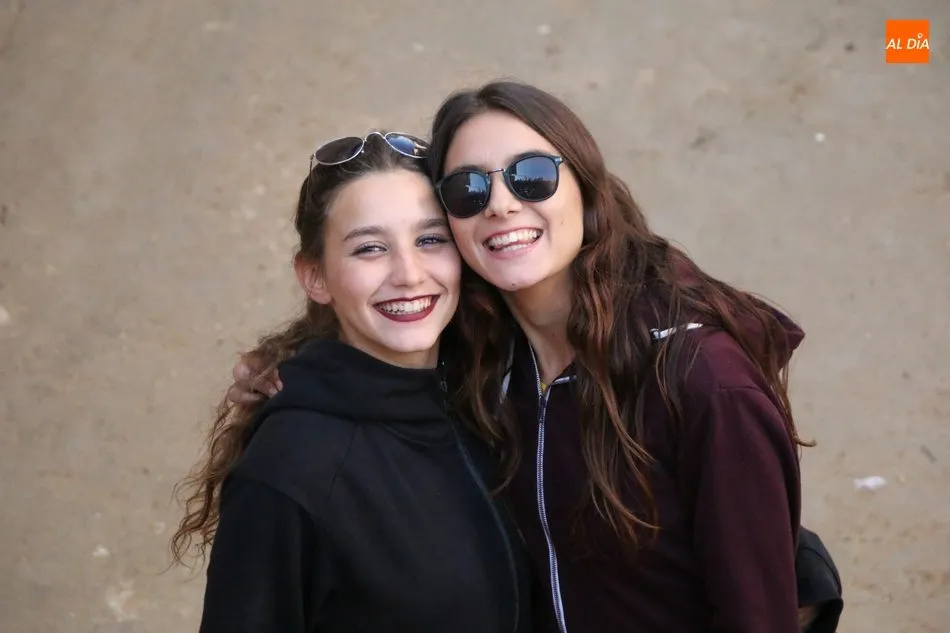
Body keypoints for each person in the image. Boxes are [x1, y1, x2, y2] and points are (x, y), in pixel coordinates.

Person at [226, 82, 843, 633]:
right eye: (468, 189)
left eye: (532, 175)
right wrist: (290, 366)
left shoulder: (703, 380)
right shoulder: (486, 359)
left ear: (586, 187)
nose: (499, 204)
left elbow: (758, 588)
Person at [170, 132, 533, 633]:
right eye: (370, 248)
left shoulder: (496, 397)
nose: (409, 274)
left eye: (430, 239)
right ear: (315, 277)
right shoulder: (289, 466)